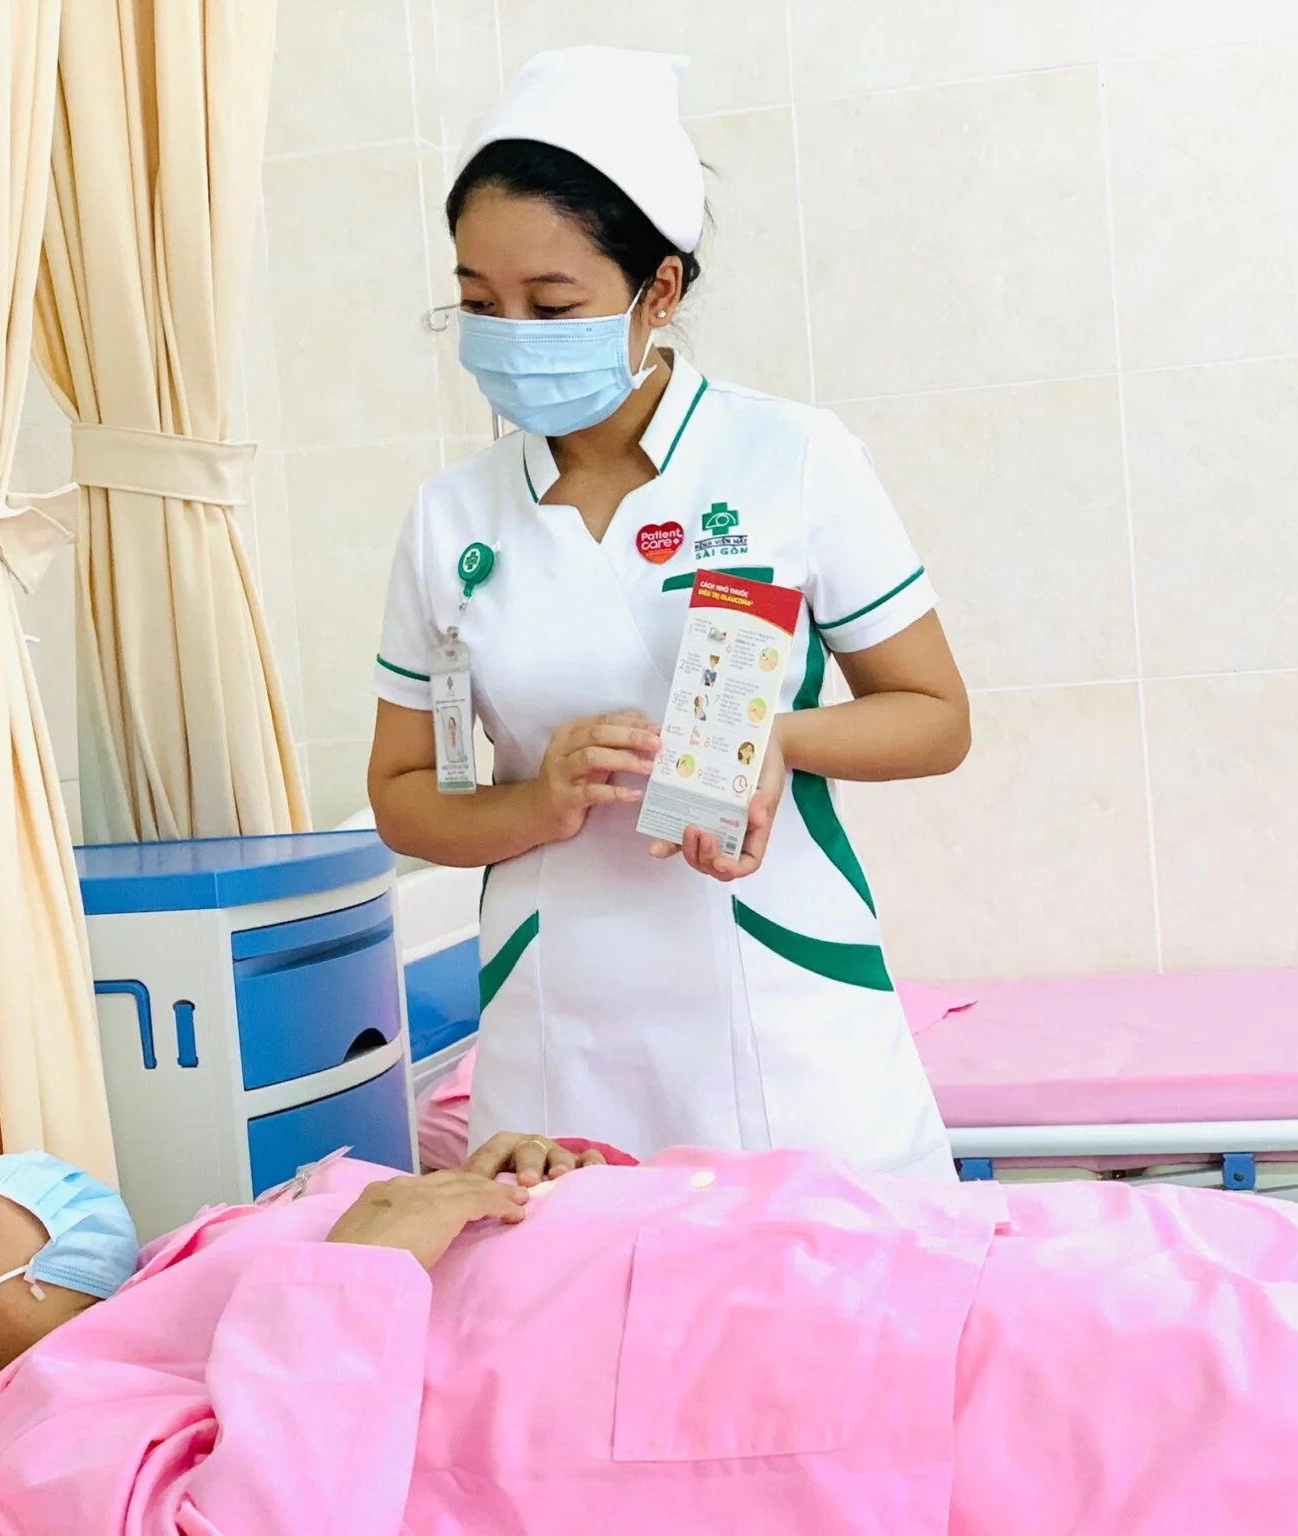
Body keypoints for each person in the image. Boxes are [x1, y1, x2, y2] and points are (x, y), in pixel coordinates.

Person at [0, 1103, 1298, 1535]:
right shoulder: (44, 1435)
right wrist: (366, 1255)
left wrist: (528, 1179)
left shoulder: (158, 1275)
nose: (29, 1166)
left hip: (890, 1264)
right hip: (869, 1390)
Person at [367, 47, 968, 1173]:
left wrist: (779, 739)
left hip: (780, 1006)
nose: (511, 333)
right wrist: (536, 802)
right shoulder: (451, 518)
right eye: (478, 303)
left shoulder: (789, 457)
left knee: (816, 1280)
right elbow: (405, 798)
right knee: (574, 1282)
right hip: (556, 1027)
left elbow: (934, 718)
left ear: (659, 292)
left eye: (551, 303)